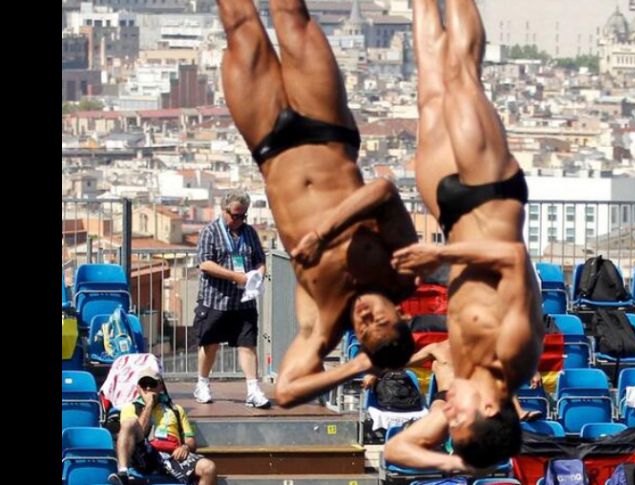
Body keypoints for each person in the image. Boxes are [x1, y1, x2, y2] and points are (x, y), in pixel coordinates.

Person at [216, 0, 420, 407]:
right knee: (290, 13)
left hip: (269, 142)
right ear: (402, 315)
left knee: (239, 24)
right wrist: (323, 233)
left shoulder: (324, 319)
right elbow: (384, 192)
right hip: (328, 129)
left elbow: (287, 392)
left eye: (363, 328)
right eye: (378, 318)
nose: (364, 315)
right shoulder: (401, 275)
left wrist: (358, 366)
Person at [389, 0, 544, 469]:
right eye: (459, 419)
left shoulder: (466, 378)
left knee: (430, 90)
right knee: (460, 75)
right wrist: (437, 252)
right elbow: (513, 258)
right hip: (490, 193)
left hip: (449, 209)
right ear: (492, 407)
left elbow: (398, 450)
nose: (446, 410)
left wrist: (460, 463)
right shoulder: (514, 356)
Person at [382, 342, 543, 471]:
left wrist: (532, 371)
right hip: (445, 396)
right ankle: (443, 449)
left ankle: (518, 412)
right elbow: (404, 362)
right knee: (437, 412)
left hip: (470, 397)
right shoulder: (436, 348)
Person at [193, 189, 270, 408]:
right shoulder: (210, 232)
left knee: (247, 344)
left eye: (242, 216)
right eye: (234, 215)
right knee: (210, 344)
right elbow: (205, 263)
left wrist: (258, 275)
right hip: (215, 299)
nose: (238, 220)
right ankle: (203, 384)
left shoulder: (250, 233)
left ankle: (253, 389)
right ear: (224, 210)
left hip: (244, 300)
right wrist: (235, 276)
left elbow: (259, 260)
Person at [108, 368, 217, 485]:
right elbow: (141, 432)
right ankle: (123, 472)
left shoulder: (176, 409)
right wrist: (149, 404)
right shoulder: (130, 408)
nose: (148, 388)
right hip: (147, 453)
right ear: (138, 388)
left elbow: (191, 440)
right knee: (129, 422)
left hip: (173, 454)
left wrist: (185, 447)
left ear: (160, 386)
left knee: (209, 468)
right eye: (144, 385)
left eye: (152, 384)